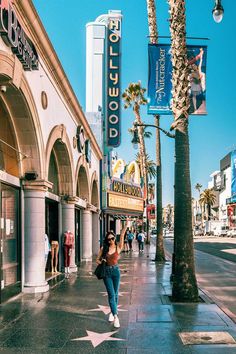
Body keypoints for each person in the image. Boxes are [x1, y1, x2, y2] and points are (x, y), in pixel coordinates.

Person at [96, 221, 128, 328]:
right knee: (111, 295)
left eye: (112, 238)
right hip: (106, 273)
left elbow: (122, 235)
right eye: (108, 239)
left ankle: (112, 312)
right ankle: (116, 316)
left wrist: (126, 225)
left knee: (116, 293)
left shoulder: (118, 248)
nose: (110, 241)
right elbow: (97, 260)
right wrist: (102, 262)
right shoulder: (103, 248)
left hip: (116, 272)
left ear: (115, 238)